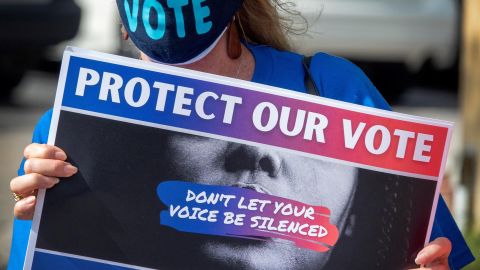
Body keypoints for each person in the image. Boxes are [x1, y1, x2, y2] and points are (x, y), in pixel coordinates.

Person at [8, 0, 474, 269]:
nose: (257, 158)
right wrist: (46, 215)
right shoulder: (67, 131)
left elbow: (436, 256)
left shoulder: (335, 90)